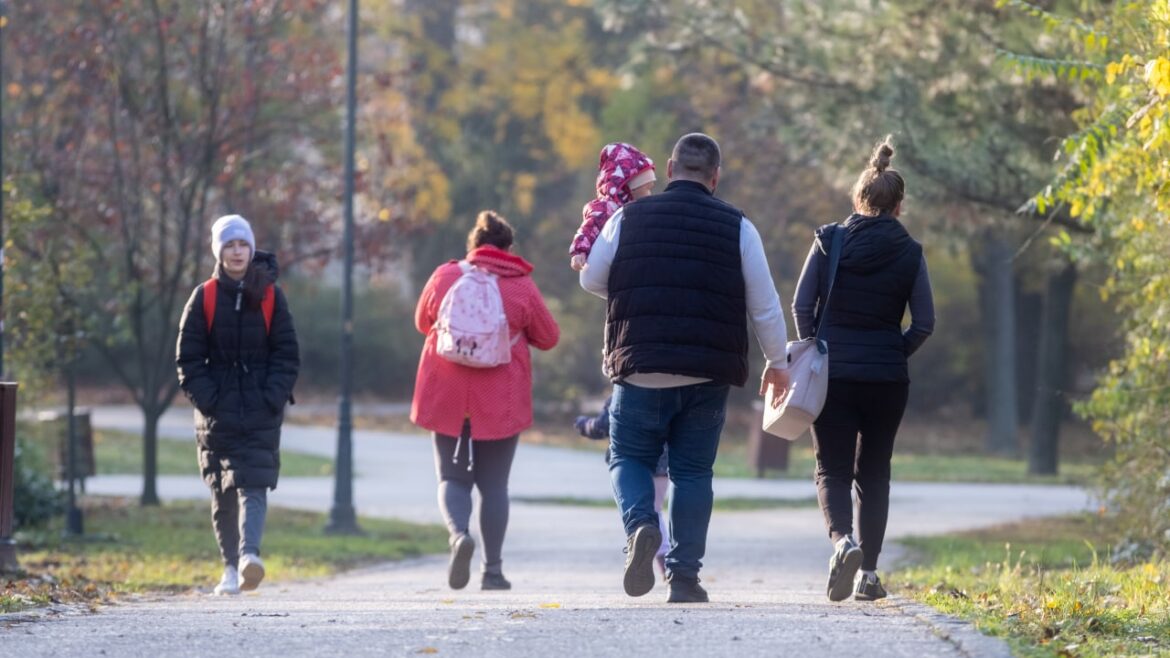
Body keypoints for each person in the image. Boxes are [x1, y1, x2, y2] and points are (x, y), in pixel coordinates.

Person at [580, 133, 791, 603]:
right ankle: (685, 578)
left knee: (628, 457)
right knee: (693, 473)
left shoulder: (625, 218)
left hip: (639, 365)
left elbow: (592, 277)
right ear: (715, 178)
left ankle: (640, 525)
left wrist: (636, 287)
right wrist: (778, 364)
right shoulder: (739, 227)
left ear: (671, 168)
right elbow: (764, 306)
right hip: (706, 371)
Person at [791, 137, 935, 602]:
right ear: (899, 205)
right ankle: (868, 575)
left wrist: (817, 349)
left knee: (830, 469)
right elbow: (925, 323)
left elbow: (800, 303)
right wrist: (895, 351)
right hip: (887, 379)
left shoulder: (830, 240)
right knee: (874, 473)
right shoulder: (911, 252)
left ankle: (842, 543)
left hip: (833, 374)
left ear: (860, 197)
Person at [411, 210, 560, 591]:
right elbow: (548, 336)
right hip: (500, 394)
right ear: (508, 248)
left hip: (446, 389)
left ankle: (459, 535)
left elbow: (423, 322)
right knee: (494, 486)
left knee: (451, 477)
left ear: (473, 247)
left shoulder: (446, 275)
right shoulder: (521, 285)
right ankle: (492, 571)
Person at [176, 214, 300, 596]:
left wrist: (271, 397)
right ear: (219, 251)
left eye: (242, 244)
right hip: (217, 413)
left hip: (260, 410)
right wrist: (210, 400)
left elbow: (286, 355)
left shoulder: (271, 296)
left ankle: (250, 557)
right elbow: (188, 360)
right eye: (229, 245)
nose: (236, 252)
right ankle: (229, 567)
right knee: (222, 491)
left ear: (251, 248)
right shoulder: (205, 297)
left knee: (254, 483)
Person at [574, 396, 671, 579]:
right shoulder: (669, 394)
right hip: (662, 464)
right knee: (656, 511)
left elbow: (602, 426)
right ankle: (666, 561)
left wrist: (583, 424)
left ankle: (647, 543)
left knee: (640, 511)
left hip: (632, 463)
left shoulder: (621, 393)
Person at [569, 142, 656, 271]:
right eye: (646, 189)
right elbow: (587, 229)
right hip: (607, 267)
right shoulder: (605, 208)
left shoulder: (638, 210)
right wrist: (579, 252)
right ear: (629, 189)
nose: (650, 194)